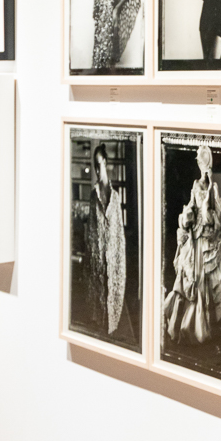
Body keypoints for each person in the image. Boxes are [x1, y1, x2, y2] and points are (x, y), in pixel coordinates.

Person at [163, 144, 221, 344]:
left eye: (202, 163)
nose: (201, 166)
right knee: (188, 278)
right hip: (194, 235)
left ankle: (201, 328)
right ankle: (187, 327)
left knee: (202, 279)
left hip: (206, 237)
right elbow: (191, 205)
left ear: (206, 164)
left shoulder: (213, 187)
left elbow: (216, 216)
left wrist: (206, 210)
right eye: (199, 163)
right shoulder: (196, 185)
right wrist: (186, 216)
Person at [88, 144, 128, 336]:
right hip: (98, 259)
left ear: (105, 163)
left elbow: (119, 235)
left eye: (99, 165)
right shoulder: (92, 196)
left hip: (112, 259)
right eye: (95, 166)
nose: (97, 171)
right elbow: (90, 232)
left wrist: (118, 261)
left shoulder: (116, 198)